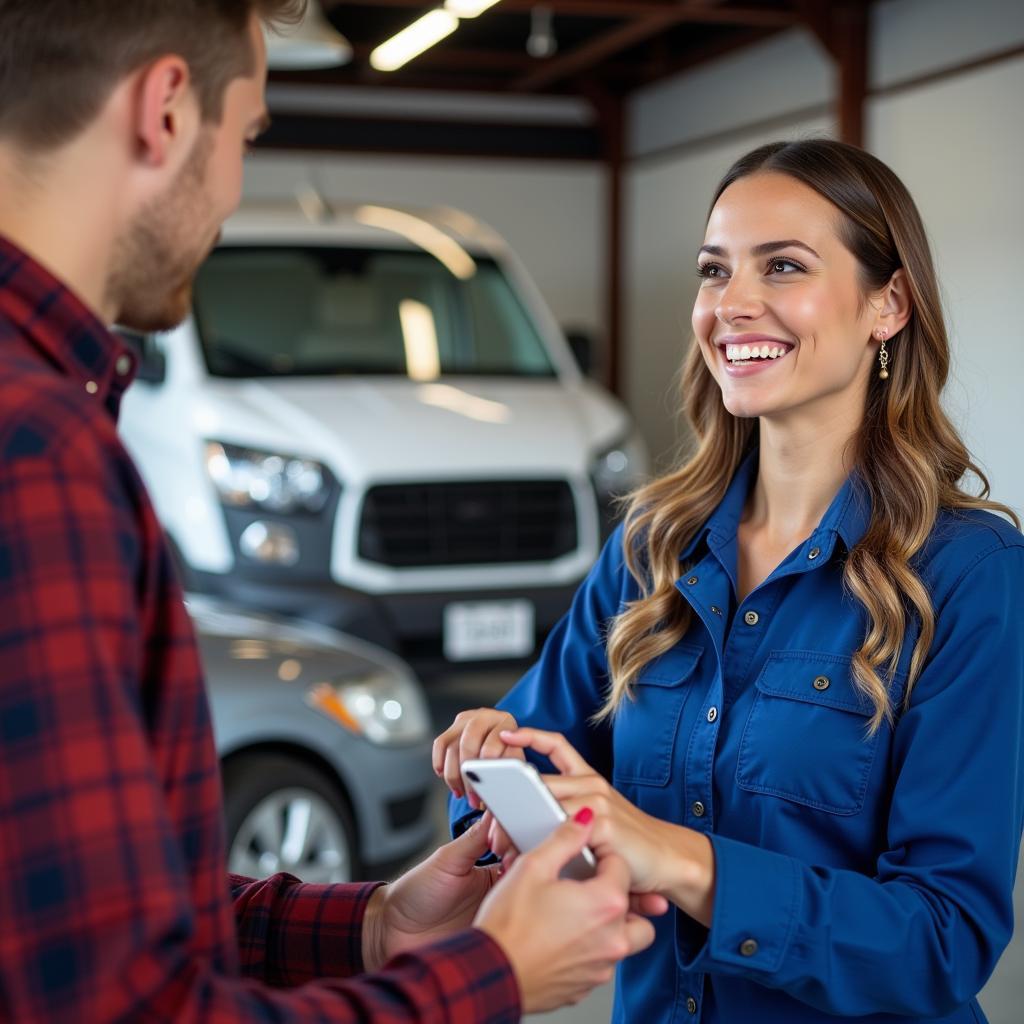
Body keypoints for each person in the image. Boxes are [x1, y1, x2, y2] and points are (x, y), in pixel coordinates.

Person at [0, 2, 660, 1020]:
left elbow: (75, 915)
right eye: (249, 135)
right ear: (165, 110)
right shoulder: (38, 452)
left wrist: (373, 926)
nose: (232, 186)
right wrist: (490, 975)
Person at [438, 138, 1024, 1023]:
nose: (733, 305)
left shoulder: (969, 576)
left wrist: (677, 858)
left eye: (782, 267)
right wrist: (492, 766)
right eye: (715, 272)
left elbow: (944, 939)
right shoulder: (650, 548)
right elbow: (533, 774)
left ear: (888, 305)